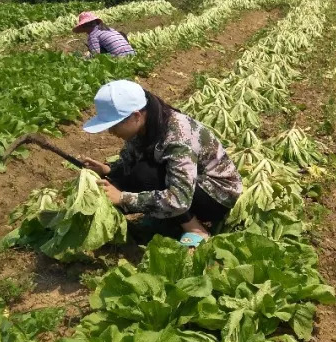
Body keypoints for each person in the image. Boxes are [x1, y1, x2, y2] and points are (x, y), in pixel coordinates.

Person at [81, 80, 242, 247]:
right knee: (136, 173)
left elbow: (179, 198)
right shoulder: (145, 125)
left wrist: (123, 198)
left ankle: (195, 229)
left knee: (145, 175)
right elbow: (131, 160)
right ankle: (169, 218)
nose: (111, 132)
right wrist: (108, 169)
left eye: (114, 125)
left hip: (216, 194)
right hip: (188, 186)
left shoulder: (178, 135)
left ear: (136, 116)